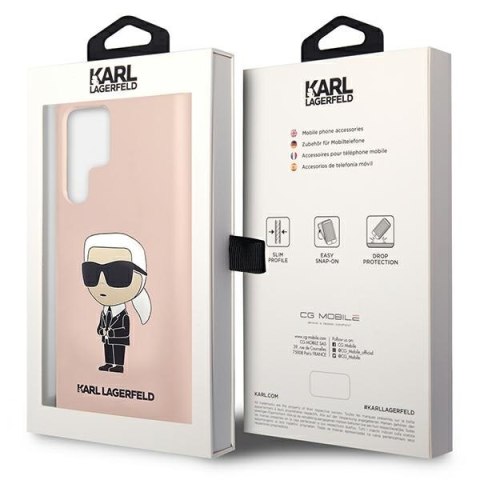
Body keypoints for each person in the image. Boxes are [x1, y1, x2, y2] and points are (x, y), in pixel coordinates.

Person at [82, 233, 151, 373]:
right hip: (107, 337)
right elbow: (101, 324)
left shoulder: (123, 315)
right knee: (107, 349)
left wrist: (112, 332)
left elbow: (124, 329)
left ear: (140, 278)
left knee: (118, 350)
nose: (102, 281)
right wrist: (101, 330)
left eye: (118, 273)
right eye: (92, 272)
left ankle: (119, 365)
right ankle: (108, 363)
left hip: (118, 339)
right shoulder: (105, 312)